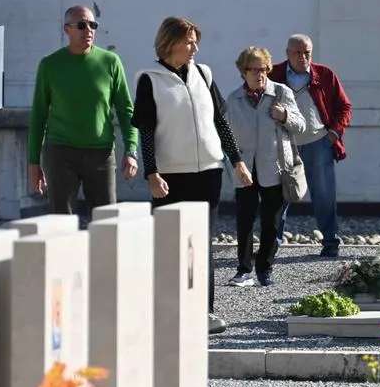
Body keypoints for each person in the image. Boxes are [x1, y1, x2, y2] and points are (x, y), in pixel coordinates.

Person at [130, 17, 253, 336]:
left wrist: (237, 160)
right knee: (169, 245)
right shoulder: (149, 80)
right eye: (188, 42)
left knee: (202, 246)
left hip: (208, 173)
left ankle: (204, 312)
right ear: (170, 44)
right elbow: (145, 131)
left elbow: (220, 123)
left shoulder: (203, 73)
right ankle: (166, 313)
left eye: (196, 41)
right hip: (170, 176)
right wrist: (151, 173)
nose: (195, 48)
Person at [27, 5, 139, 214]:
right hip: (61, 152)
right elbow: (39, 115)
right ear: (66, 29)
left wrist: (131, 150)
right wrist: (34, 162)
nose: (88, 30)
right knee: (60, 220)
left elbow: (126, 110)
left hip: (101, 153)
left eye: (92, 25)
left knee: (106, 220)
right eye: (81, 25)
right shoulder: (50, 65)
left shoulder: (110, 62)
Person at [224, 47, 305, 286]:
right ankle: (243, 269)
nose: (259, 74)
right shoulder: (234, 99)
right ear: (243, 71)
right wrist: (233, 163)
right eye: (253, 70)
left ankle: (265, 268)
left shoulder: (281, 93)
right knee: (245, 220)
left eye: (263, 69)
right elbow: (226, 134)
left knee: (271, 222)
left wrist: (284, 116)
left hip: (276, 167)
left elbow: (300, 126)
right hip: (245, 167)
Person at [269, 34, 351, 257]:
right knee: (280, 195)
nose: (302, 57)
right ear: (287, 53)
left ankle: (331, 241)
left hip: (318, 142)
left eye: (307, 52)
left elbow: (344, 106)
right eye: (297, 52)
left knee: (324, 194)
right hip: (285, 144)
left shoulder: (324, 74)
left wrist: (334, 132)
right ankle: (272, 244)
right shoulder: (273, 75)